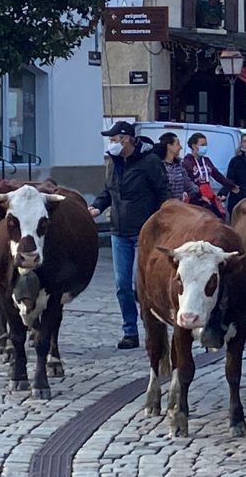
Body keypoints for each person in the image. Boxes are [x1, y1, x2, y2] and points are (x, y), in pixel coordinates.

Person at [88, 122, 171, 349]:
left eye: (114, 139)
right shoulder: (113, 164)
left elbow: (164, 191)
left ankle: (152, 327)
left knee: (139, 284)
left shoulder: (149, 162)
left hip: (144, 232)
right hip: (119, 232)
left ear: (126, 139)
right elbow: (108, 192)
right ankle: (130, 331)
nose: (111, 143)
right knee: (121, 284)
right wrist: (97, 207)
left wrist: (164, 218)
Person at [182, 132, 237, 219]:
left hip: (208, 195)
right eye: (202, 145)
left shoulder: (206, 161)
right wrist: (198, 196)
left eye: (206, 145)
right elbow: (188, 182)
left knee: (219, 216)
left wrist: (231, 185)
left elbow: (217, 175)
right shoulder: (187, 162)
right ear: (194, 146)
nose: (205, 147)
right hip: (195, 197)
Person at [157, 133, 194, 204]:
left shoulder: (179, 166)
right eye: (178, 144)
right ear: (169, 146)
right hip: (162, 208)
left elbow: (188, 185)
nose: (181, 147)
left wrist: (200, 194)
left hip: (177, 207)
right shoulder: (159, 166)